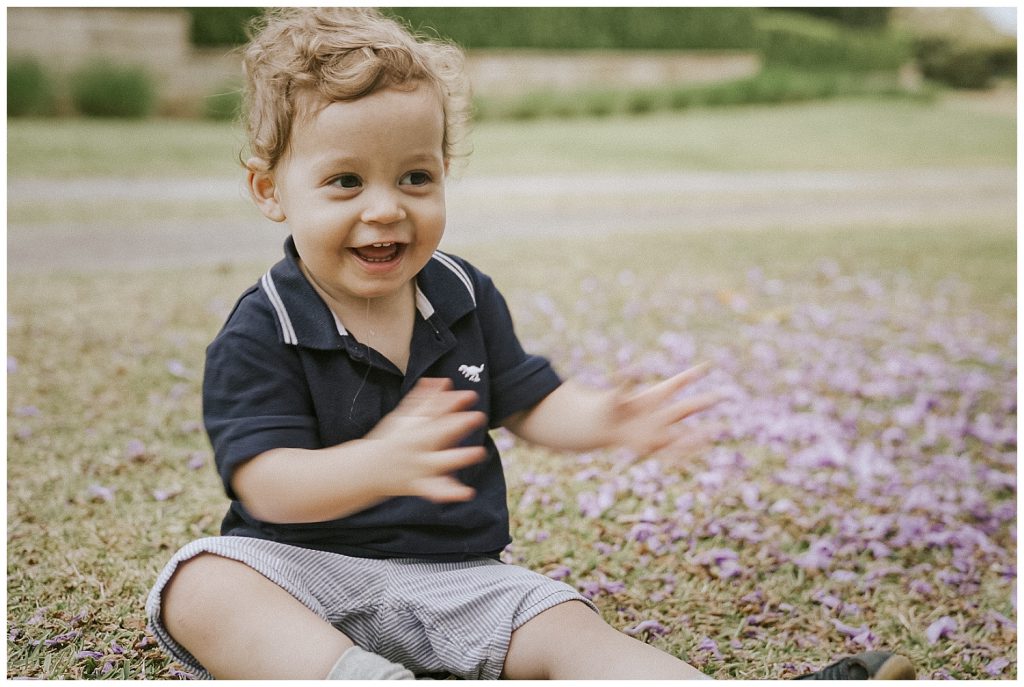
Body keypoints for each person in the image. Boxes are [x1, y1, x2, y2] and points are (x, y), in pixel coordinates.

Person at [145, 7, 915, 680]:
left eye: (415, 177)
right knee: (199, 585)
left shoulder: (462, 293)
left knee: (569, 626)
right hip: (303, 577)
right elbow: (267, 486)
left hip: (458, 576)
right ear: (269, 189)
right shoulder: (263, 325)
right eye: (345, 181)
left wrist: (607, 419)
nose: (386, 209)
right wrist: (375, 463)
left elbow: (534, 401)